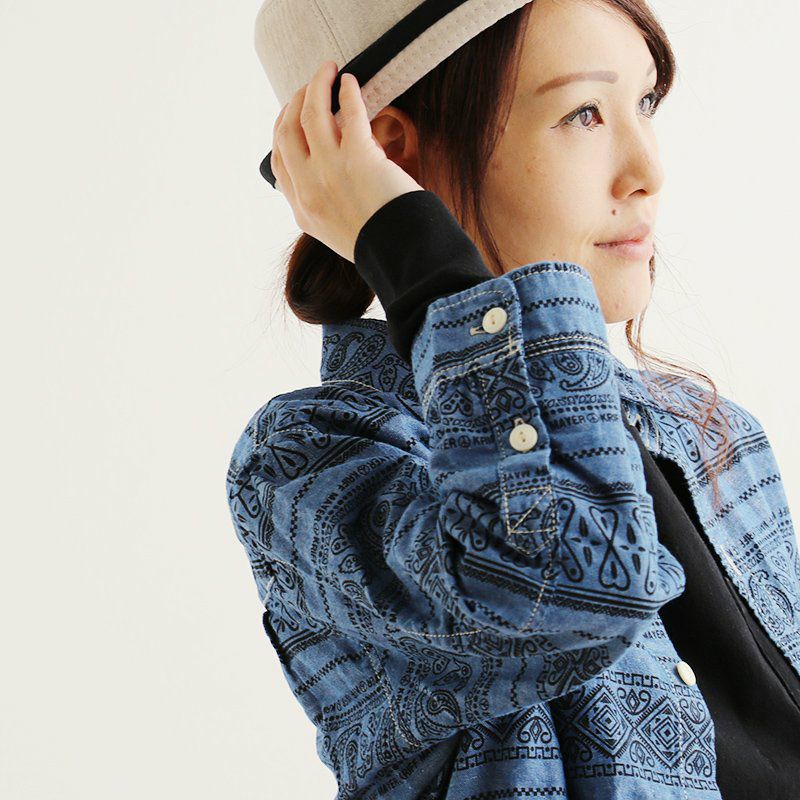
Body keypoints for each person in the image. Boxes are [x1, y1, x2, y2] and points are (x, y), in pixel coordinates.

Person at [226, 1, 800, 798]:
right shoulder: (311, 463)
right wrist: (407, 245)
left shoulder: (713, 436)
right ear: (385, 155)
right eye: (583, 113)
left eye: (645, 101)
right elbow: (576, 586)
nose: (647, 169)